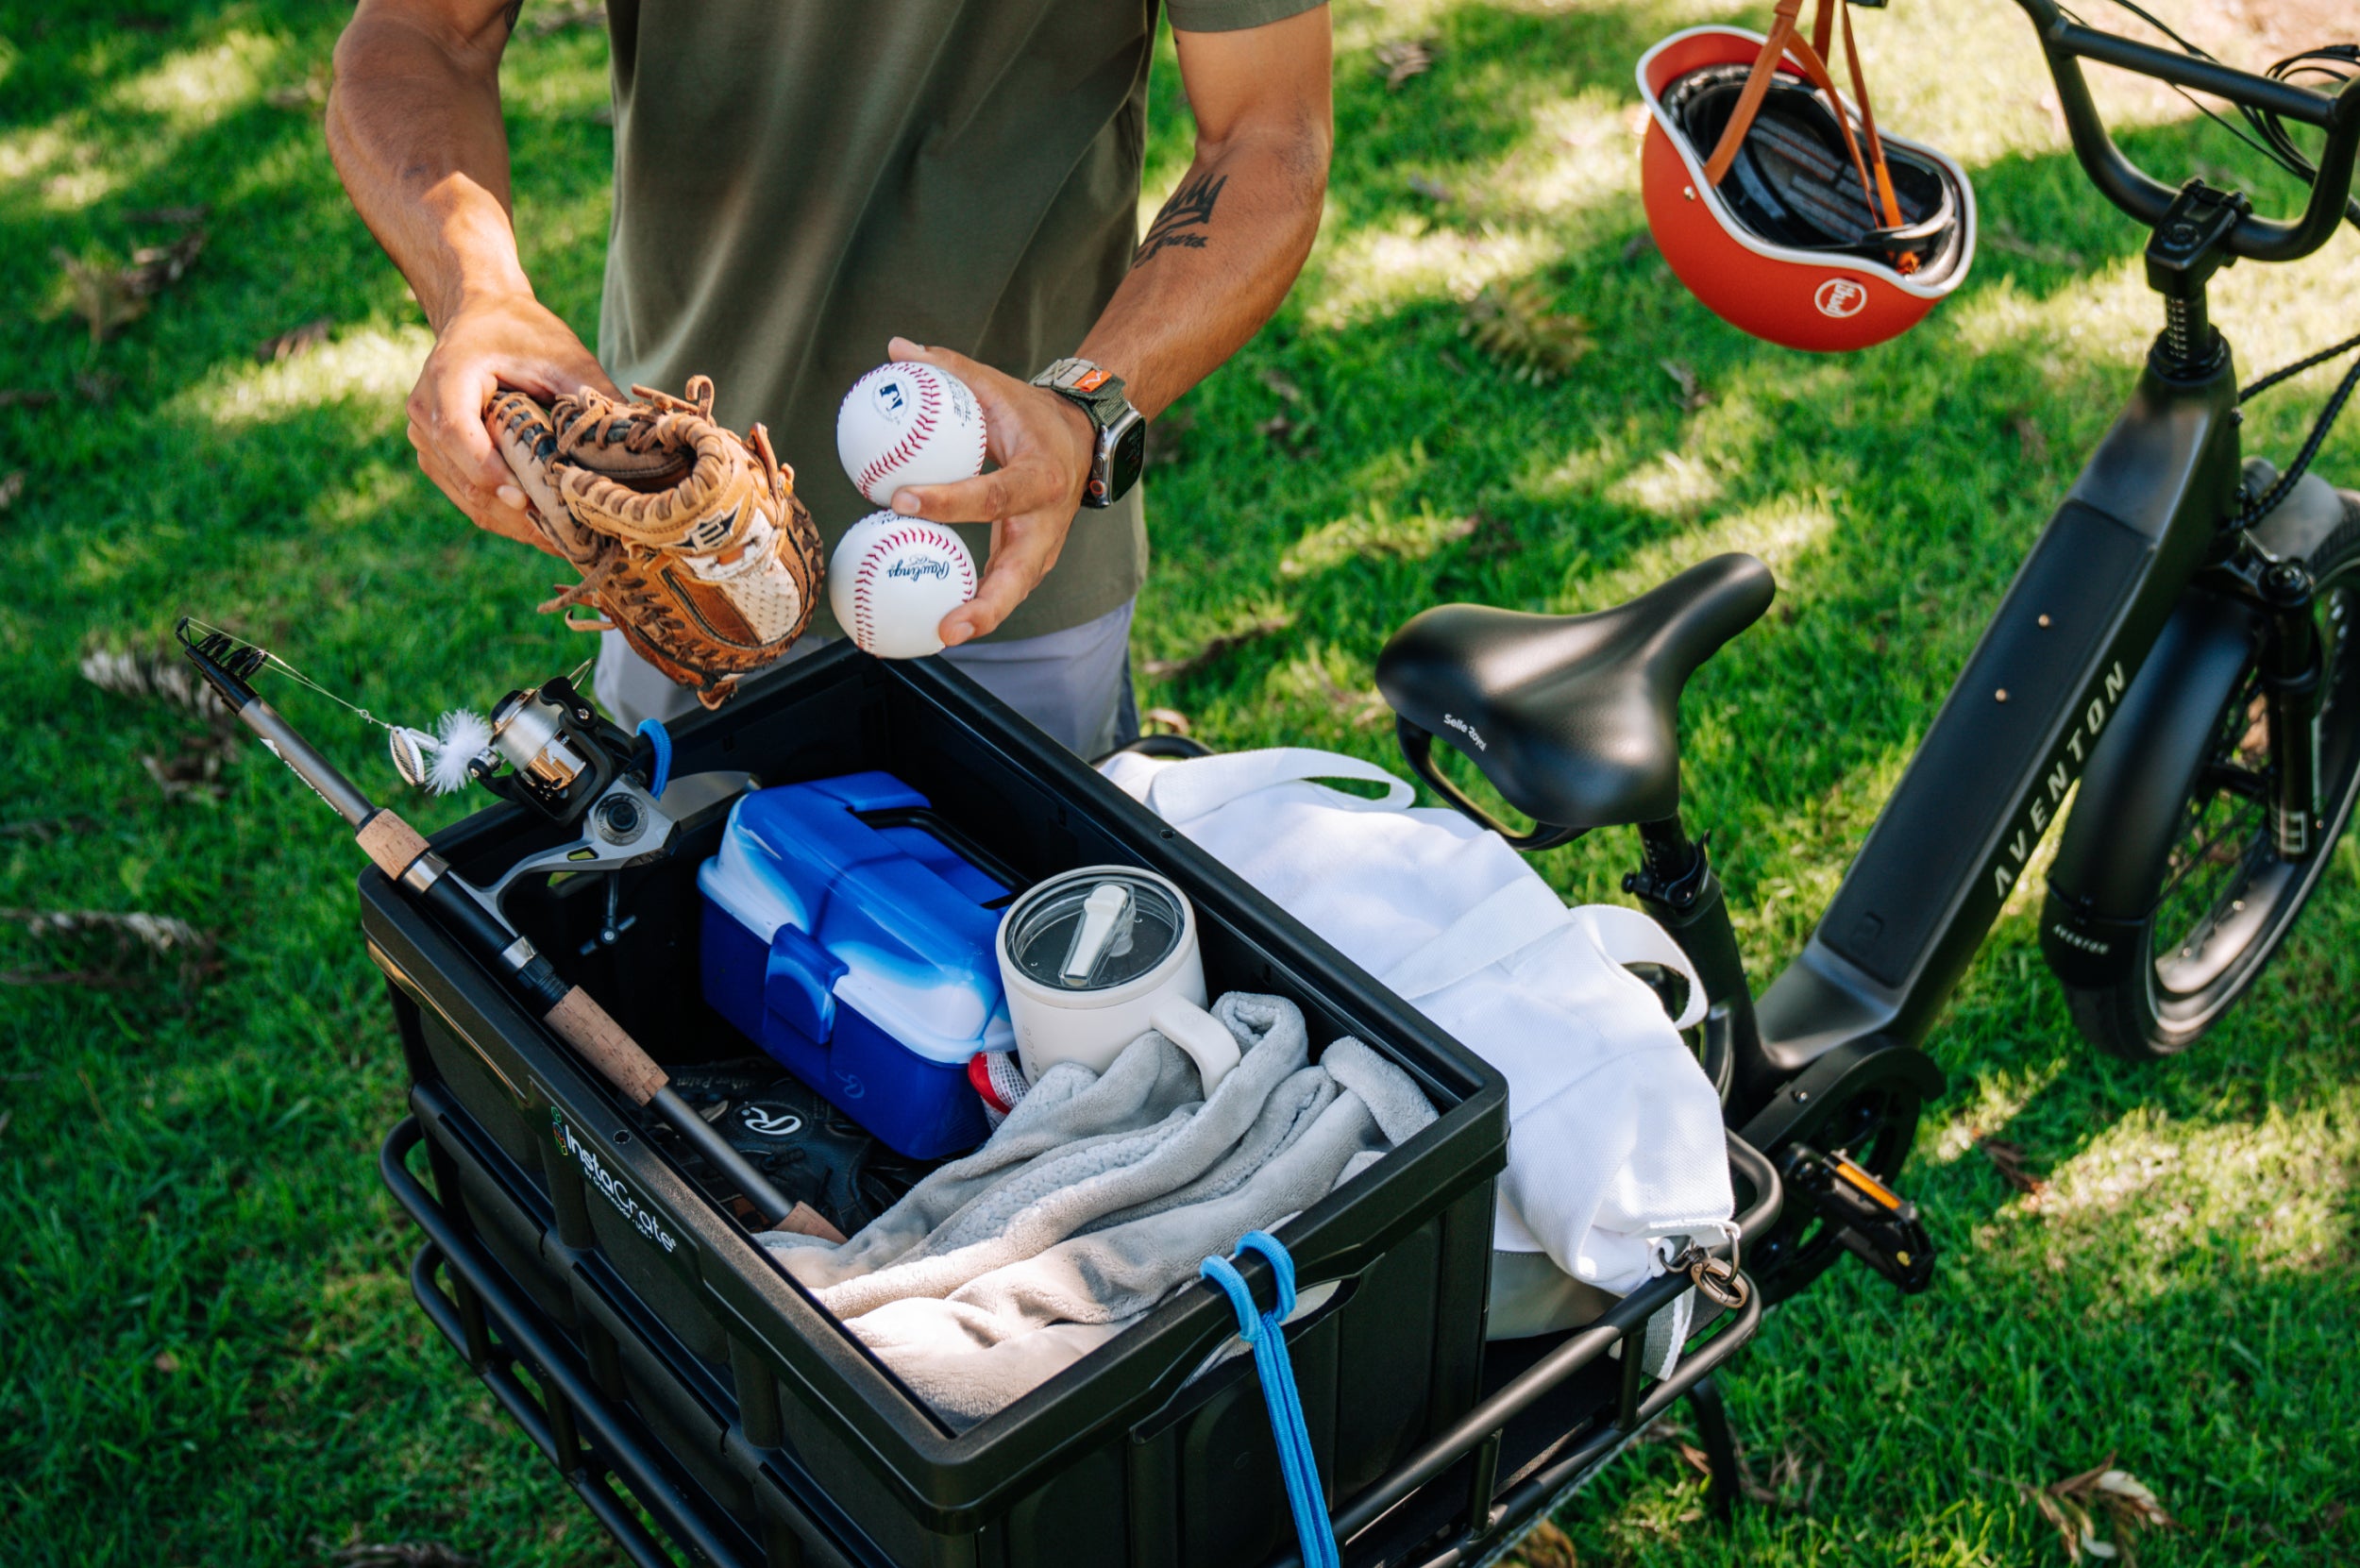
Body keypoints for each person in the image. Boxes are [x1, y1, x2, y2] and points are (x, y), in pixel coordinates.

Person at [327, 0, 1333, 755]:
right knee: (679, 971)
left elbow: (1267, 130)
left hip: (1015, 547)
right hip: (668, 529)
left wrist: (1085, 402)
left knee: (1034, 995)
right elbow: (421, 32)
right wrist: (477, 290)